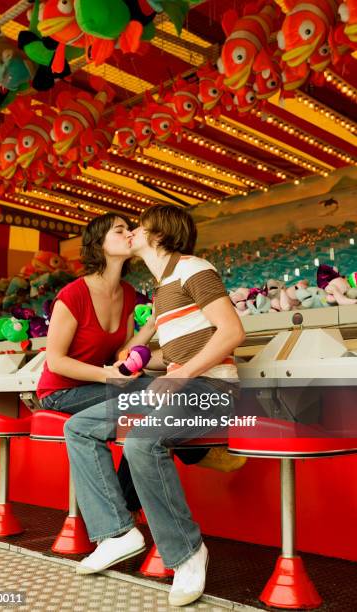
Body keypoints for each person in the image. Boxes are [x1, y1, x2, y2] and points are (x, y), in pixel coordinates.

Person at [64, 205, 246, 607]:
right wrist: (144, 359)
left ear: (158, 234)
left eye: (137, 227)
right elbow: (183, 347)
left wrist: (179, 375)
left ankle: (186, 551)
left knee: (141, 443)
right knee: (78, 427)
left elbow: (232, 331)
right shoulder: (163, 288)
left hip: (211, 391)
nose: (131, 232)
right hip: (179, 387)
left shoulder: (194, 268)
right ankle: (117, 531)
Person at [36, 213, 156, 511]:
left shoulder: (128, 294)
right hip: (60, 392)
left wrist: (152, 325)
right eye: (119, 230)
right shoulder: (72, 294)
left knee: (151, 411)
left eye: (130, 229)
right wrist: (108, 376)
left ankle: (125, 506)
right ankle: (121, 510)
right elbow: (56, 361)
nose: (129, 234)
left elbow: (122, 354)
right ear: (99, 244)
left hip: (99, 385)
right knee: (153, 394)